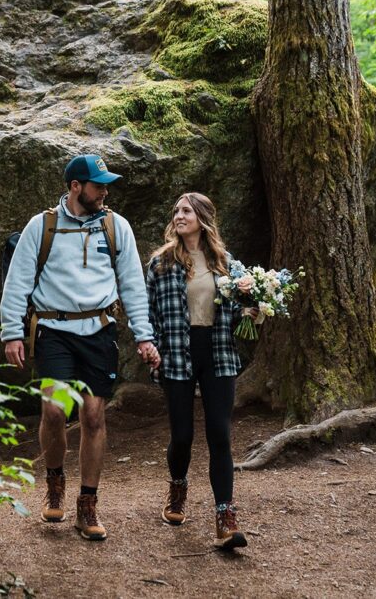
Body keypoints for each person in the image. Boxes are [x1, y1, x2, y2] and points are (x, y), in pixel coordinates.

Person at [1, 153, 160, 542]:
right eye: (97, 185)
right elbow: (17, 282)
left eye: (105, 185)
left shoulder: (115, 226)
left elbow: (132, 285)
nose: (104, 191)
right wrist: (11, 333)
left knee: (92, 416)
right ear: (75, 187)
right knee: (55, 411)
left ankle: (87, 505)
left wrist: (144, 335)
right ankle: (55, 482)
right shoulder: (42, 227)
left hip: (99, 333)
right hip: (54, 332)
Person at [145, 192, 249, 550]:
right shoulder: (160, 264)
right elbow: (149, 313)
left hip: (218, 353)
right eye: (176, 210)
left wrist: (251, 307)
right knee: (183, 436)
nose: (179, 215)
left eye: (186, 210)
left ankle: (225, 518)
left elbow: (235, 313)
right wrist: (152, 347)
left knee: (220, 435)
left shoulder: (226, 264)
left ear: (202, 217)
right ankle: (177, 487)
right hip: (176, 353)